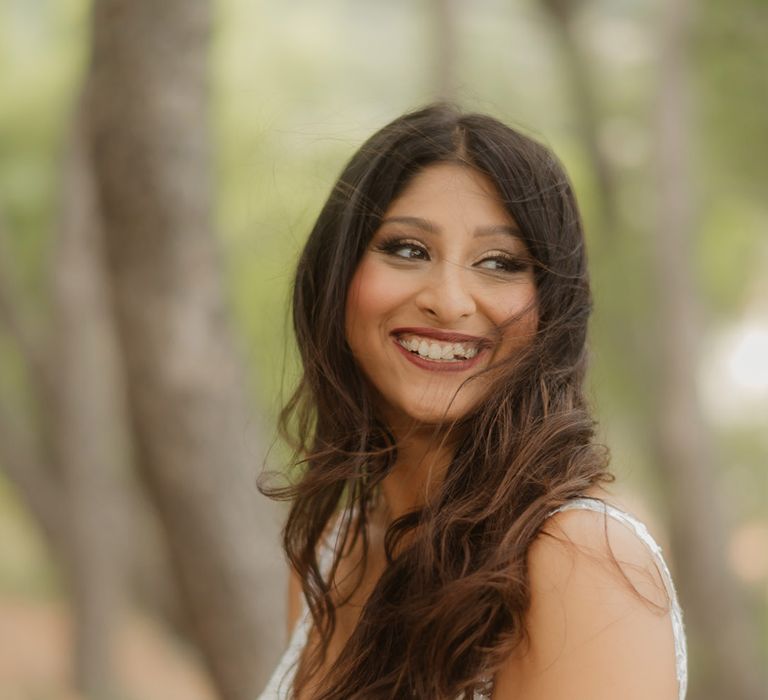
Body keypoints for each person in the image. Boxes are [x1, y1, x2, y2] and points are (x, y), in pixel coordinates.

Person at [257, 103, 687, 699]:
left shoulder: (577, 559)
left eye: (500, 263)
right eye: (408, 249)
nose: (450, 300)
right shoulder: (336, 550)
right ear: (337, 275)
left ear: (551, 311)